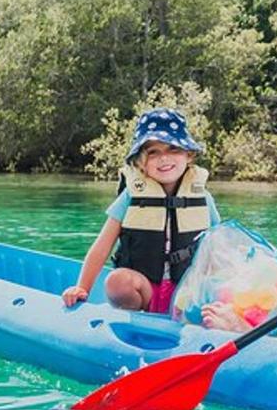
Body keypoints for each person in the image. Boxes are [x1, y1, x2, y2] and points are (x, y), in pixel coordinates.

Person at [62, 107, 220, 314]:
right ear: (140, 162)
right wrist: (82, 288)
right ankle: (137, 319)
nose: (164, 158)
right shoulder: (130, 197)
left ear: (189, 155)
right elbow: (102, 246)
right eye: (153, 152)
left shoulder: (203, 198)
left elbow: (219, 247)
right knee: (116, 282)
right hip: (146, 291)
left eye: (173, 149)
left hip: (187, 292)